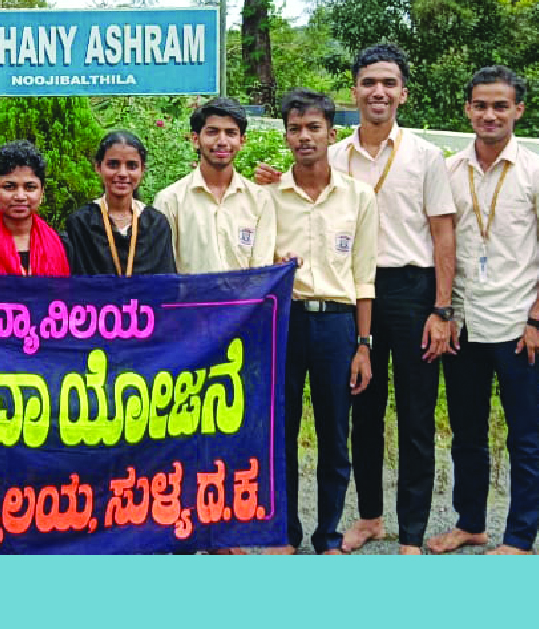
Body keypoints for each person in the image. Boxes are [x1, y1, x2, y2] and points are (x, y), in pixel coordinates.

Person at [426, 66, 539, 555]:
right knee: (467, 434)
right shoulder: (447, 170)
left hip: (517, 325)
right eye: (481, 105)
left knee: (525, 437)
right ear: (467, 109)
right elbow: (439, 243)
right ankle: (470, 523)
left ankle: (520, 537)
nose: (490, 115)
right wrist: (444, 312)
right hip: (463, 323)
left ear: (518, 110)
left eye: (500, 106)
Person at [323, 45, 458, 555]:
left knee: (417, 415)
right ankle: (370, 517)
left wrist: (441, 309)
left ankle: (414, 531)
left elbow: (442, 235)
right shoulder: (334, 156)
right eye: (368, 82)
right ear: (354, 91)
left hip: (411, 289)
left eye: (388, 83)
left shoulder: (424, 156)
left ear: (403, 93)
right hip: (353, 291)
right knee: (363, 409)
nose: (377, 91)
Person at [267, 89, 376, 555]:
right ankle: (285, 533)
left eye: (314, 128)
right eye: (295, 129)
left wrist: (363, 344)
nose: (304, 137)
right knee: (282, 431)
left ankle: (328, 534)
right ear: (285, 136)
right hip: (285, 323)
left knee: (335, 434)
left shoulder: (358, 196)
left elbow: (364, 276)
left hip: (337, 324)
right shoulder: (267, 196)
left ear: (332, 134)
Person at [154, 97, 276, 275]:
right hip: (191, 294)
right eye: (212, 132)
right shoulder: (170, 201)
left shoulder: (259, 199)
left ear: (242, 141)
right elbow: (164, 272)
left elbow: (261, 272)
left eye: (231, 133)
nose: (222, 141)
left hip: (247, 295)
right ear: (195, 139)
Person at [66, 131, 175, 275]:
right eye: (113, 165)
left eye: (132, 166)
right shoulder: (81, 223)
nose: (123, 173)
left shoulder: (156, 224)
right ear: (98, 167)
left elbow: (165, 282)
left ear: (142, 170)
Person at [0, 141, 71, 277]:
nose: (20, 196)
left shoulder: (64, 246)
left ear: (42, 193)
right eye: (9, 187)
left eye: (30, 187)